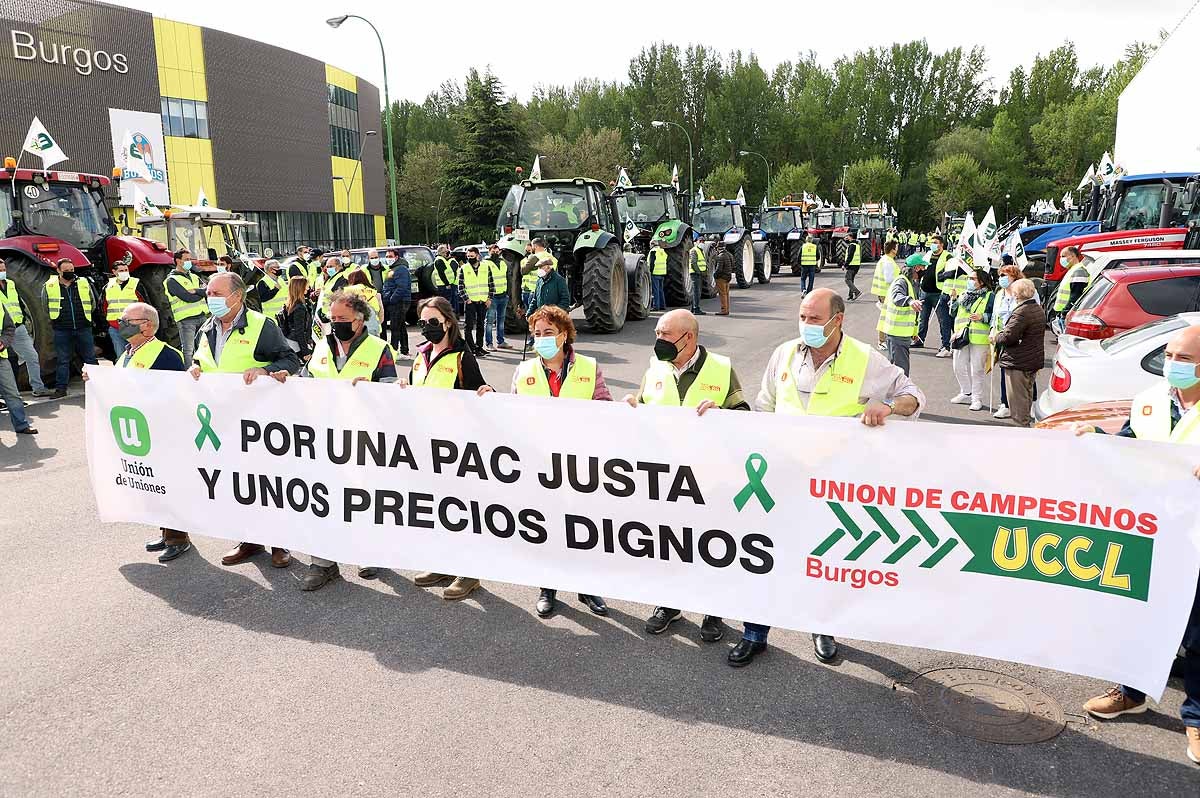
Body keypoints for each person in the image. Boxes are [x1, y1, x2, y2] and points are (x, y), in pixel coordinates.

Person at [746, 287, 925, 667]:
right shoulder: (784, 354)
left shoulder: (865, 360)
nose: (805, 325)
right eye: (802, 317)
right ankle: (754, 633)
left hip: (831, 484)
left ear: (837, 320)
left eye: (814, 319)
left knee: (822, 561)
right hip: (781, 479)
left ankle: (822, 627)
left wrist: (888, 405)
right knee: (765, 556)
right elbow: (765, 405)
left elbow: (912, 396)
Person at [1076, 324, 1200, 765]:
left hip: (1195, 540)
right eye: (1170, 355)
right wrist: (1098, 439)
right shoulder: (1150, 400)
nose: (1173, 365)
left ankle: (1196, 718)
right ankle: (1130, 692)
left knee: (1196, 632)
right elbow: (1132, 444)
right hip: (1148, 533)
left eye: (1183, 358)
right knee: (1137, 617)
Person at [624, 308, 750, 642]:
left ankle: (713, 610)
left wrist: (722, 414)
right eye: (657, 334)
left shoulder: (721, 369)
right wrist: (632, 407)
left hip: (709, 477)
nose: (658, 340)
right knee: (669, 543)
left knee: (711, 544)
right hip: (666, 478)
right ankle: (670, 605)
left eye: (664, 335)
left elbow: (745, 417)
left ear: (688, 337)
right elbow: (643, 404)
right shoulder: (656, 369)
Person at [479, 304, 610, 618]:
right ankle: (547, 588)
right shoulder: (524, 372)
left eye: (548, 333)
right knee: (547, 529)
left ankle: (588, 588)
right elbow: (512, 411)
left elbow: (607, 410)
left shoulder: (589, 368)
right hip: (539, 467)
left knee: (582, 530)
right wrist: (493, 396)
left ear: (564, 335)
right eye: (537, 334)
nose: (542, 339)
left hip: (580, 467)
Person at [279, 291, 397, 590]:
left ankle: (369, 551)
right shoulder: (322, 346)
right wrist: (286, 381)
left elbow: (393, 393)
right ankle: (323, 562)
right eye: (332, 319)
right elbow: (307, 381)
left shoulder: (379, 349)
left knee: (363, 499)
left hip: (363, 439)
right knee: (322, 499)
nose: (335, 324)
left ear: (359, 322)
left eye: (341, 319)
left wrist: (374, 391)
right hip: (323, 438)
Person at [189, 272, 302, 569]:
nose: (209, 297)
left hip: (257, 423)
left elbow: (291, 361)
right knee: (237, 484)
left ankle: (280, 543)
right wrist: (195, 369)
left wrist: (264, 371)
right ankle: (249, 539)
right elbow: (200, 360)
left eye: (215, 292)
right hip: (220, 423)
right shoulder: (207, 328)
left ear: (237, 296)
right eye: (208, 292)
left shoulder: (262, 326)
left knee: (266, 482)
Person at [401, 296, 488, 601]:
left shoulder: (462, 357)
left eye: (434, 322)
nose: (428, 328)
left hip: (457, 449)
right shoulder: (421, 355)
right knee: (438, 509)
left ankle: (469, 572)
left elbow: (481, 396)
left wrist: (485, 394)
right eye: (423, 323)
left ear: (449, 322)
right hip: (426, 448)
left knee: (463, 510)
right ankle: (444, 563)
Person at [111, 302, 188, 559]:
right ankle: (166, 531)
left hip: (163, 432)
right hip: (141, 432)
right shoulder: (127, 353)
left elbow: (176, 396)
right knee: (153, 485)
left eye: (127, 320)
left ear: (147, 326)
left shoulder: (165, 355)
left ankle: (179, 537)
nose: (120, 324)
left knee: (169, 484)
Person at [990, 278, 1045, 427]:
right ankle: (1024, 427)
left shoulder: (1021, 312)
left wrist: (996, 337)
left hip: (1018, 361)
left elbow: (1008, 337)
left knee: (1018, 403)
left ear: (1017, 294)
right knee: (1026, 397)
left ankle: (1022, 432)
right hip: (1031, 359)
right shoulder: (1037, 308)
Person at [43, 257, 98, 398]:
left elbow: (92, 303)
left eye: (72, 270)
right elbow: (45, 306)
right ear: (58, 271)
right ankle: (61, 389)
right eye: (66, 270)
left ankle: (97, 387)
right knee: (63, 360)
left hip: (83, 327)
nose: (70, 272)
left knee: (90, 358)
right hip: (62, 329)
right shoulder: (49, 286)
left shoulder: (83, 283)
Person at [0, 256, 51, 396]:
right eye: (0, 270)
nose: (3, 272)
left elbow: (18, 303)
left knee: (32, 356)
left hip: (17, 328)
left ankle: (38, 388)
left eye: (4, 269)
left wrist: (23, 318)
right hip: (1, 332)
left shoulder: (10, 283)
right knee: (5, 363)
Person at [948, 268, 995, 412]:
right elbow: (953, 312)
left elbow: (994, 315)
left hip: (979, 338)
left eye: (973, 279)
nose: (969, 281)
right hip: (961, 335)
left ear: (981, 282)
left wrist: (982, 317)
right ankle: (966, 391)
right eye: (969, 278)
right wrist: (954, 300)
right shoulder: (963, 294)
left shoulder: (989, 296)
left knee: (977, 370)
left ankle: (976, 398)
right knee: (958, 366)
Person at [880, 254, 925, 377]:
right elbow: (897, 297)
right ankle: (895, 396)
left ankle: (895, 395)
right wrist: (910, 301)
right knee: (899, 372)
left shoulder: (912, 283)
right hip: (896, 334)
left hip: (903, 334)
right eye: (923, 267)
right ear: (916, 268)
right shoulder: (901, 281)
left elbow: (913, 314)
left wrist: (914, 332)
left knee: (899, 370)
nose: (924, 270)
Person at [164, 248, 208, 367]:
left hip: (202, 316)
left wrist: (196, 291)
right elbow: (187, 297)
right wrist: (200, 293)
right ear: (178, 261)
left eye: (190, 259)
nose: (190, 262)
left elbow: (208, 290)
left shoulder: (194, 276)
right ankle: (188, 373)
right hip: (186, 319)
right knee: (188, 350)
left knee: (205, 348)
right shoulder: (172, 280)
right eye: (186, 259)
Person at [989, 263, 1023, 419]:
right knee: (1005, 370)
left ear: (1014, 277)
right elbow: (995, 316)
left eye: (1004, 275)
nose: (1001, 278)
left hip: (1020, 338)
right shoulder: (999, 294)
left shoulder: (1025, 292)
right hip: (1002, 337)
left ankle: (1030, 402)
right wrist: (992, 331)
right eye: (1000, 275)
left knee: (1024, 372)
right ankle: (1006, 404)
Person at [0, 303, 37, 435]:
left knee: (12, 394)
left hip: (1, 359)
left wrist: (3, 342)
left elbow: (9, 328)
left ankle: (21, 425)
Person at [917, 235, 953, 358]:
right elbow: (922, 268)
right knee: (922, 319)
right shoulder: (927, 254)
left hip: (939, 293)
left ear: (941, 244)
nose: (933, 244)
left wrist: (943, 275)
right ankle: (919, 340)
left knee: (944, 321)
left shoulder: (948, 256)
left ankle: (946, 345)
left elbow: (952, 272)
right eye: (932, 242)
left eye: (935, 242)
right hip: (925, 292)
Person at [102, 261, 145, 358]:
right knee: (121, 357)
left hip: (134, 326)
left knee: (138, 356)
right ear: (114, 272)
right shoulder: (108, 287)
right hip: (115, 327)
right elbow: (103, 306)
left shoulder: (136, 284)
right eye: (121, 270)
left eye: (126, 270)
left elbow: (145, 305)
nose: (124, 272)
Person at [457, 246, 494, 356]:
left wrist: (489, 298)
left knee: (480, 325)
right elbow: (460, 286)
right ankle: (471, 348)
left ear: (477, 255)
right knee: (468, 326)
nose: (469, 258)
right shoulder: (464, 268)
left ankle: (479, 347)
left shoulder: (485, 267)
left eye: (472, 256)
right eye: (468, 256)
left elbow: (491, 284)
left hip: (482, 301)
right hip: (470, 302)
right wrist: (466, 299)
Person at [382, 249, 412, 357]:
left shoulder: (400, 269)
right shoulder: (393, 269)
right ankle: (404, 350)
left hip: (399, 302)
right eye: (387, 256)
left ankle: (394, 351)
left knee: (395, 327)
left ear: (396, 257)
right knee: (400, 326)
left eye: (390, 256)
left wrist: (391, 299)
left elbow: (401, 287)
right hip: (396, 301)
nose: (388, 258)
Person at [870, 239, 899, 350]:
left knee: (886, 317)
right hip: (886, 293)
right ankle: (882, 341)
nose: (898, 249)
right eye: (896, 247)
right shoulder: (888, 262)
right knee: (885, 318)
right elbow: (889, 279)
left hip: (884, 293)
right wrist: (900, 278)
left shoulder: (885, 260)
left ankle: (884, 340)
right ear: (892, 250)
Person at [277, 276, 314, 361]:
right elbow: (299, 331)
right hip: (297, 344)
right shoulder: (299, 307)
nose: (308, 288)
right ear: (300, 287)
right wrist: (305, 352)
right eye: (306, 286)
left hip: (291, 341)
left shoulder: (290, 304)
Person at [526, 252, 571, 319]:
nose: (539, 270)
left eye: (541, 267)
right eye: (538, 267)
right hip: (542, 316)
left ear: (548, 268)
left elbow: (565, 300)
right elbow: (535, 299)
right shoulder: (539, 281)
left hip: (555, 318)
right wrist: (529, 313)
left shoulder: (559, 280)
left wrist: (554, 313)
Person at [483, 242, 511, 350]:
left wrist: (508, 293)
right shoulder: (485, 263)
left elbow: (507, 278)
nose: (495, 252)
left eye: (497, 250)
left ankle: (501, 341)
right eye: (492, 250)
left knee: (501, 320)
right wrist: (487, 297)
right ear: (489, 251)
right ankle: (489, 343)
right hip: (492, 296)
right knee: (490, 320)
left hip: (503, 295)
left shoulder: (503, 262)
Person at [1052, 246, 1092, 318]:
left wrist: (1065, 312)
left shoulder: (1079, 271)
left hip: (1067, 314)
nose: (1061, 259)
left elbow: (1075, 295)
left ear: (1073, 256)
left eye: (1063, 256)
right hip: (1062, 312)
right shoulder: (1073, 270)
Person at [343, 269, 383, 337]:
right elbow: (381, 315)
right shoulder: (375, 293)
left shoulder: (348, 291)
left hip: (355, 329)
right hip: (374, 329)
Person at [712, 239, 733, 316]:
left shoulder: (720, 256)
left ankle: (723, 310)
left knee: (722, 294)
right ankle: (727, 309)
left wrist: (715, 276)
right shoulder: (730, 255)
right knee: (726, 294)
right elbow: (732, 265)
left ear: (718, 248)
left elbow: (719, 269)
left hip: (721, 278)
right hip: (728, 277)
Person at [841, 232, 862, 301]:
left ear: (850, 237)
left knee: (847, 279)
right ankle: (850, 295)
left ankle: (856, 292)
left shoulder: (852, 245)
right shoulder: (857, 245)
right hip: (856, 265)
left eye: (847, 236)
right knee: (851, 280)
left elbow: (850, 256)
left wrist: (845, 265)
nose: (846, 237)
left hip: (852, 265)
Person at [649, 239, 667, 311]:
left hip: (655, 273)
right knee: (660, 290)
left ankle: (656, 306)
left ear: (653, 244)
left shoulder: (653, 251)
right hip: (662, 273)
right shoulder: (662, 251)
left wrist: (650, 271)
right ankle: (662, 305)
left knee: (655, 290)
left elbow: (652, 263)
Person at [690, 243, 707, 314]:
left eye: (703, 241)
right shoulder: (694, 250)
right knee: (696, 292)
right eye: (701, 241)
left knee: (696, 291)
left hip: (698, 274)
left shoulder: (700, 250)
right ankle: (696, 309)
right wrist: (699, 272)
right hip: (695, 274)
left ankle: (693, 308)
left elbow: (702, 262)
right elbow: (693, 262)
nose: (702, 243)